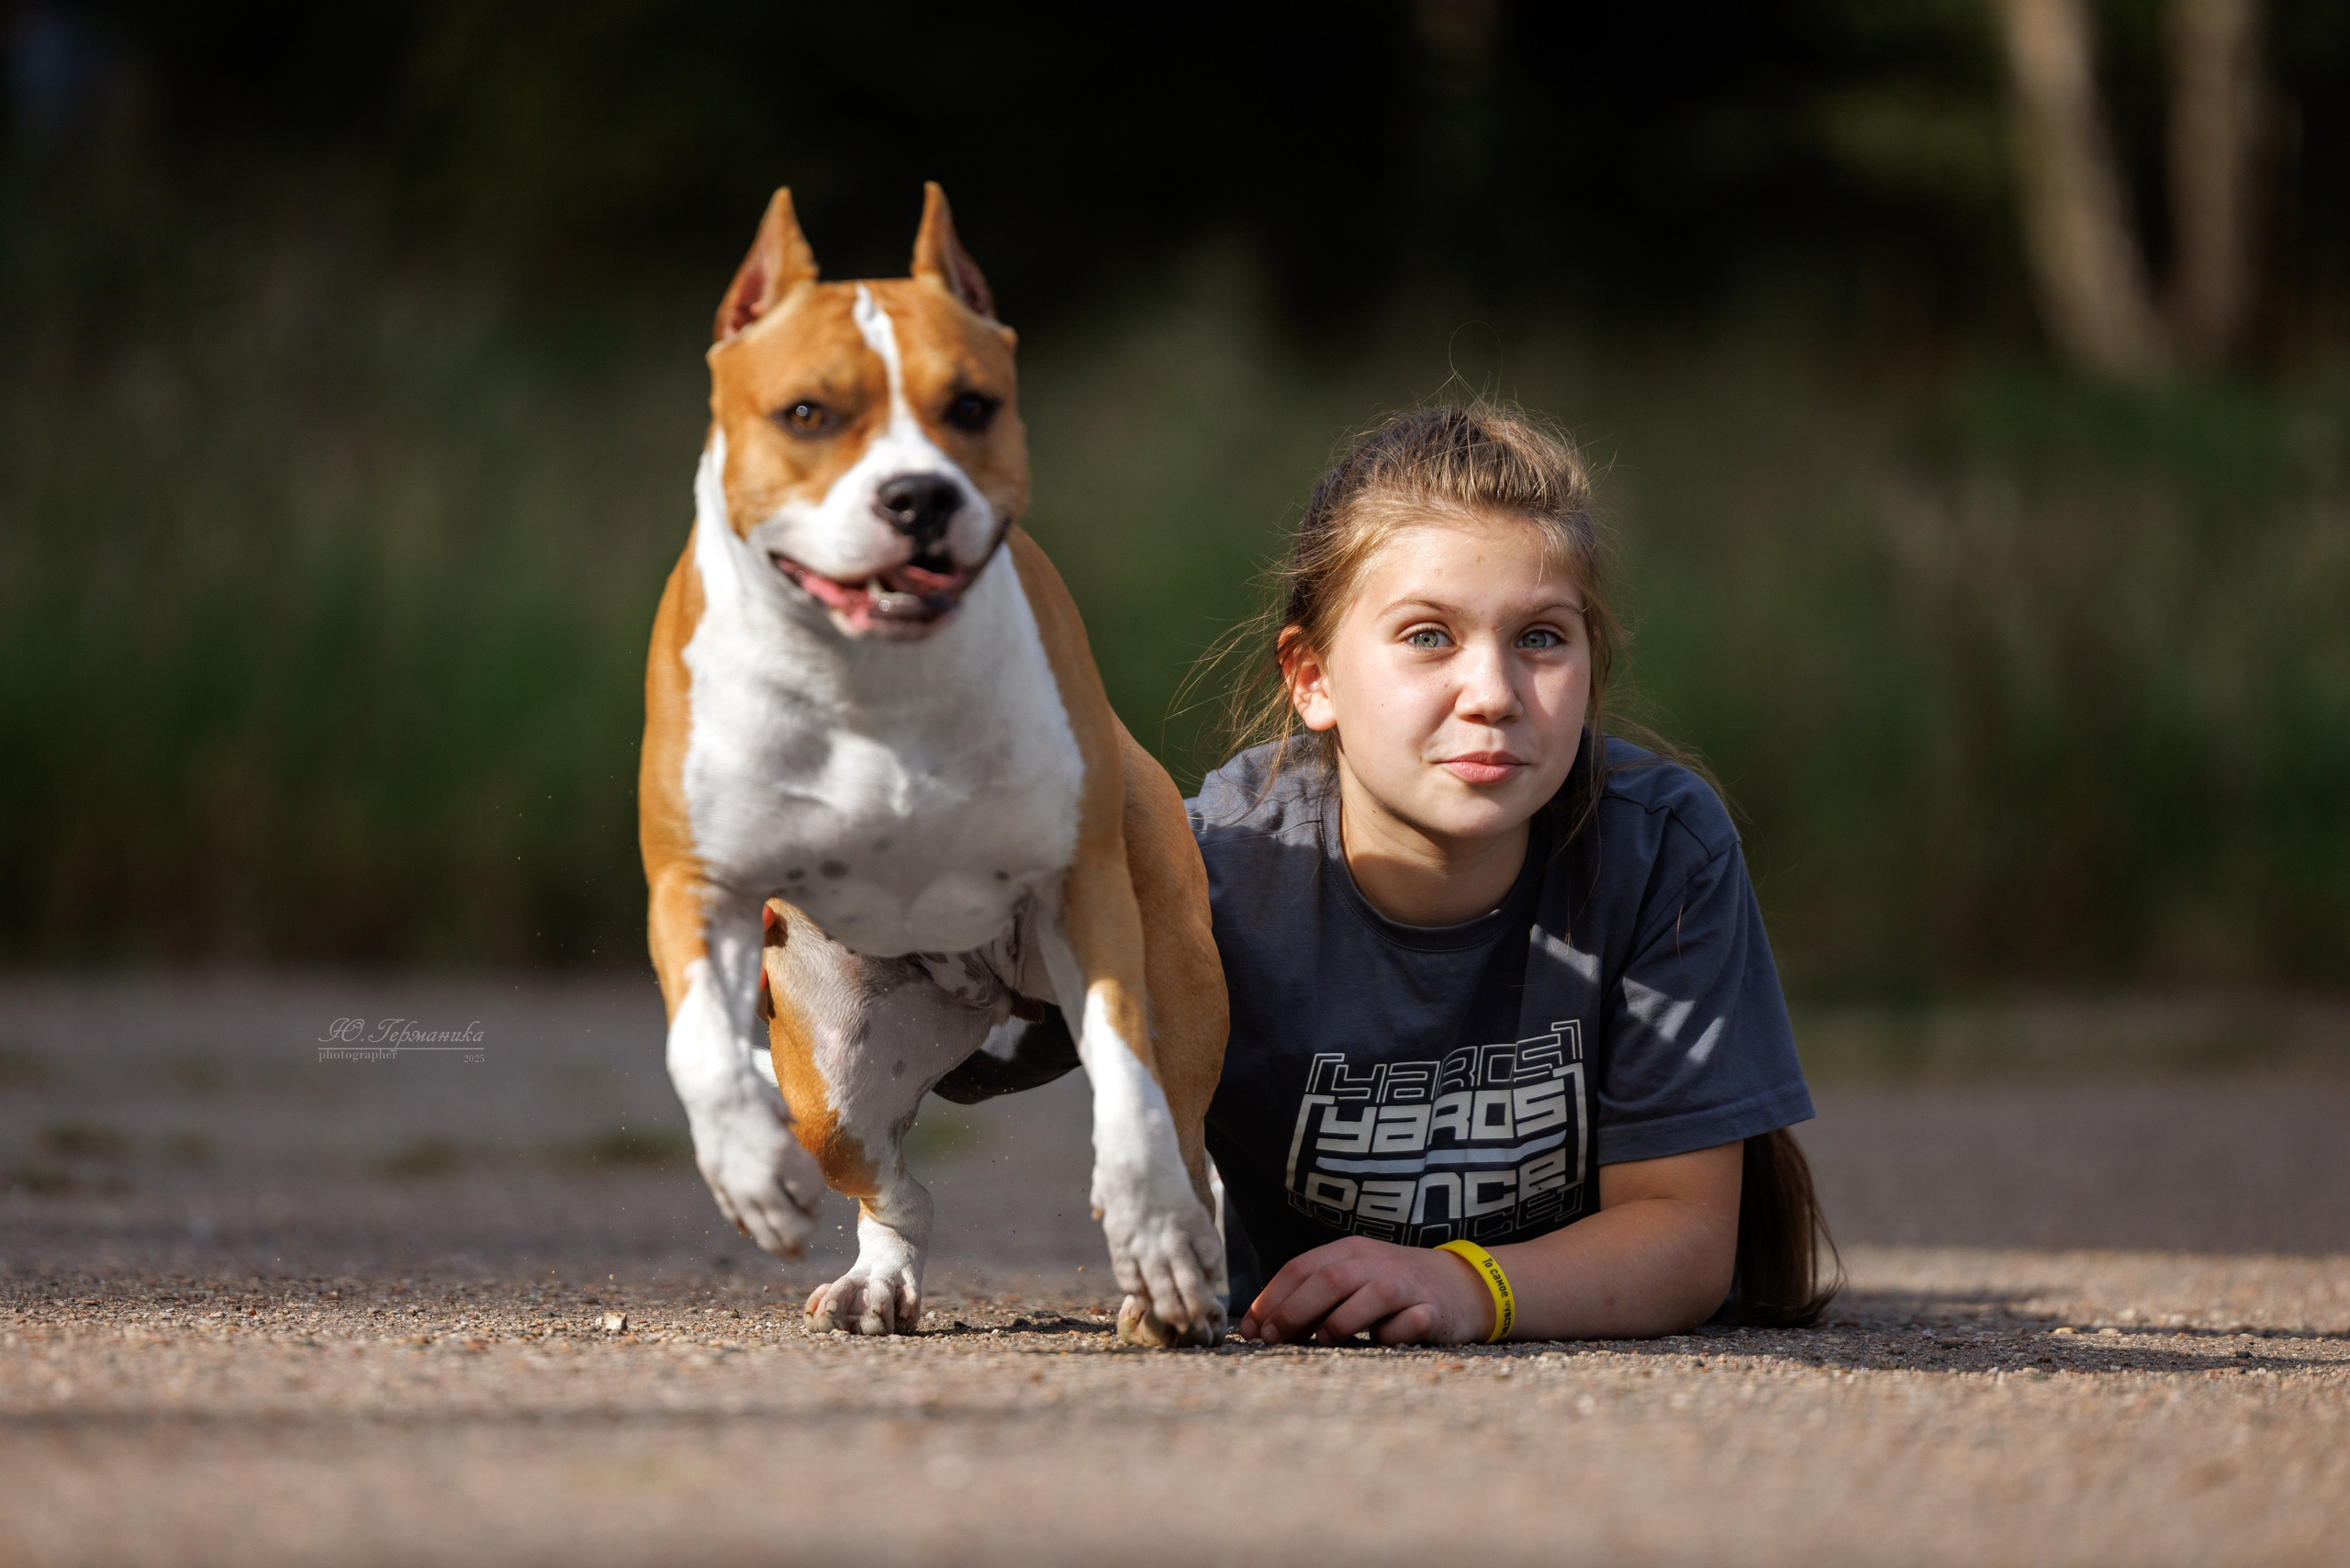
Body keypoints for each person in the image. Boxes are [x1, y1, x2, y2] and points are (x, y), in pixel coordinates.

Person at [1188, 401, 1838, 1345]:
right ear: (1312, 677)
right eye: (1427, 636)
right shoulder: (1211, 868)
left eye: (1540, 637)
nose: (1493, 695)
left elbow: (1686, 1234)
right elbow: (981, 1036)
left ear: (1591, 664)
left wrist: (1464, 1284)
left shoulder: (1662, 849)